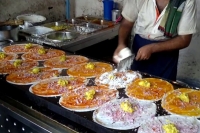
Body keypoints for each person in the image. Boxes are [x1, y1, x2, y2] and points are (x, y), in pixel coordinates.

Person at [113, 0, 197, 81]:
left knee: (163, 89)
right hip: (139, 49)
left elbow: (184, 39)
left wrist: (153, 48)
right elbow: (127, 23)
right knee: (135, 86)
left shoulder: (186, 1)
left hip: (166, 57)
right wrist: (121, 44)